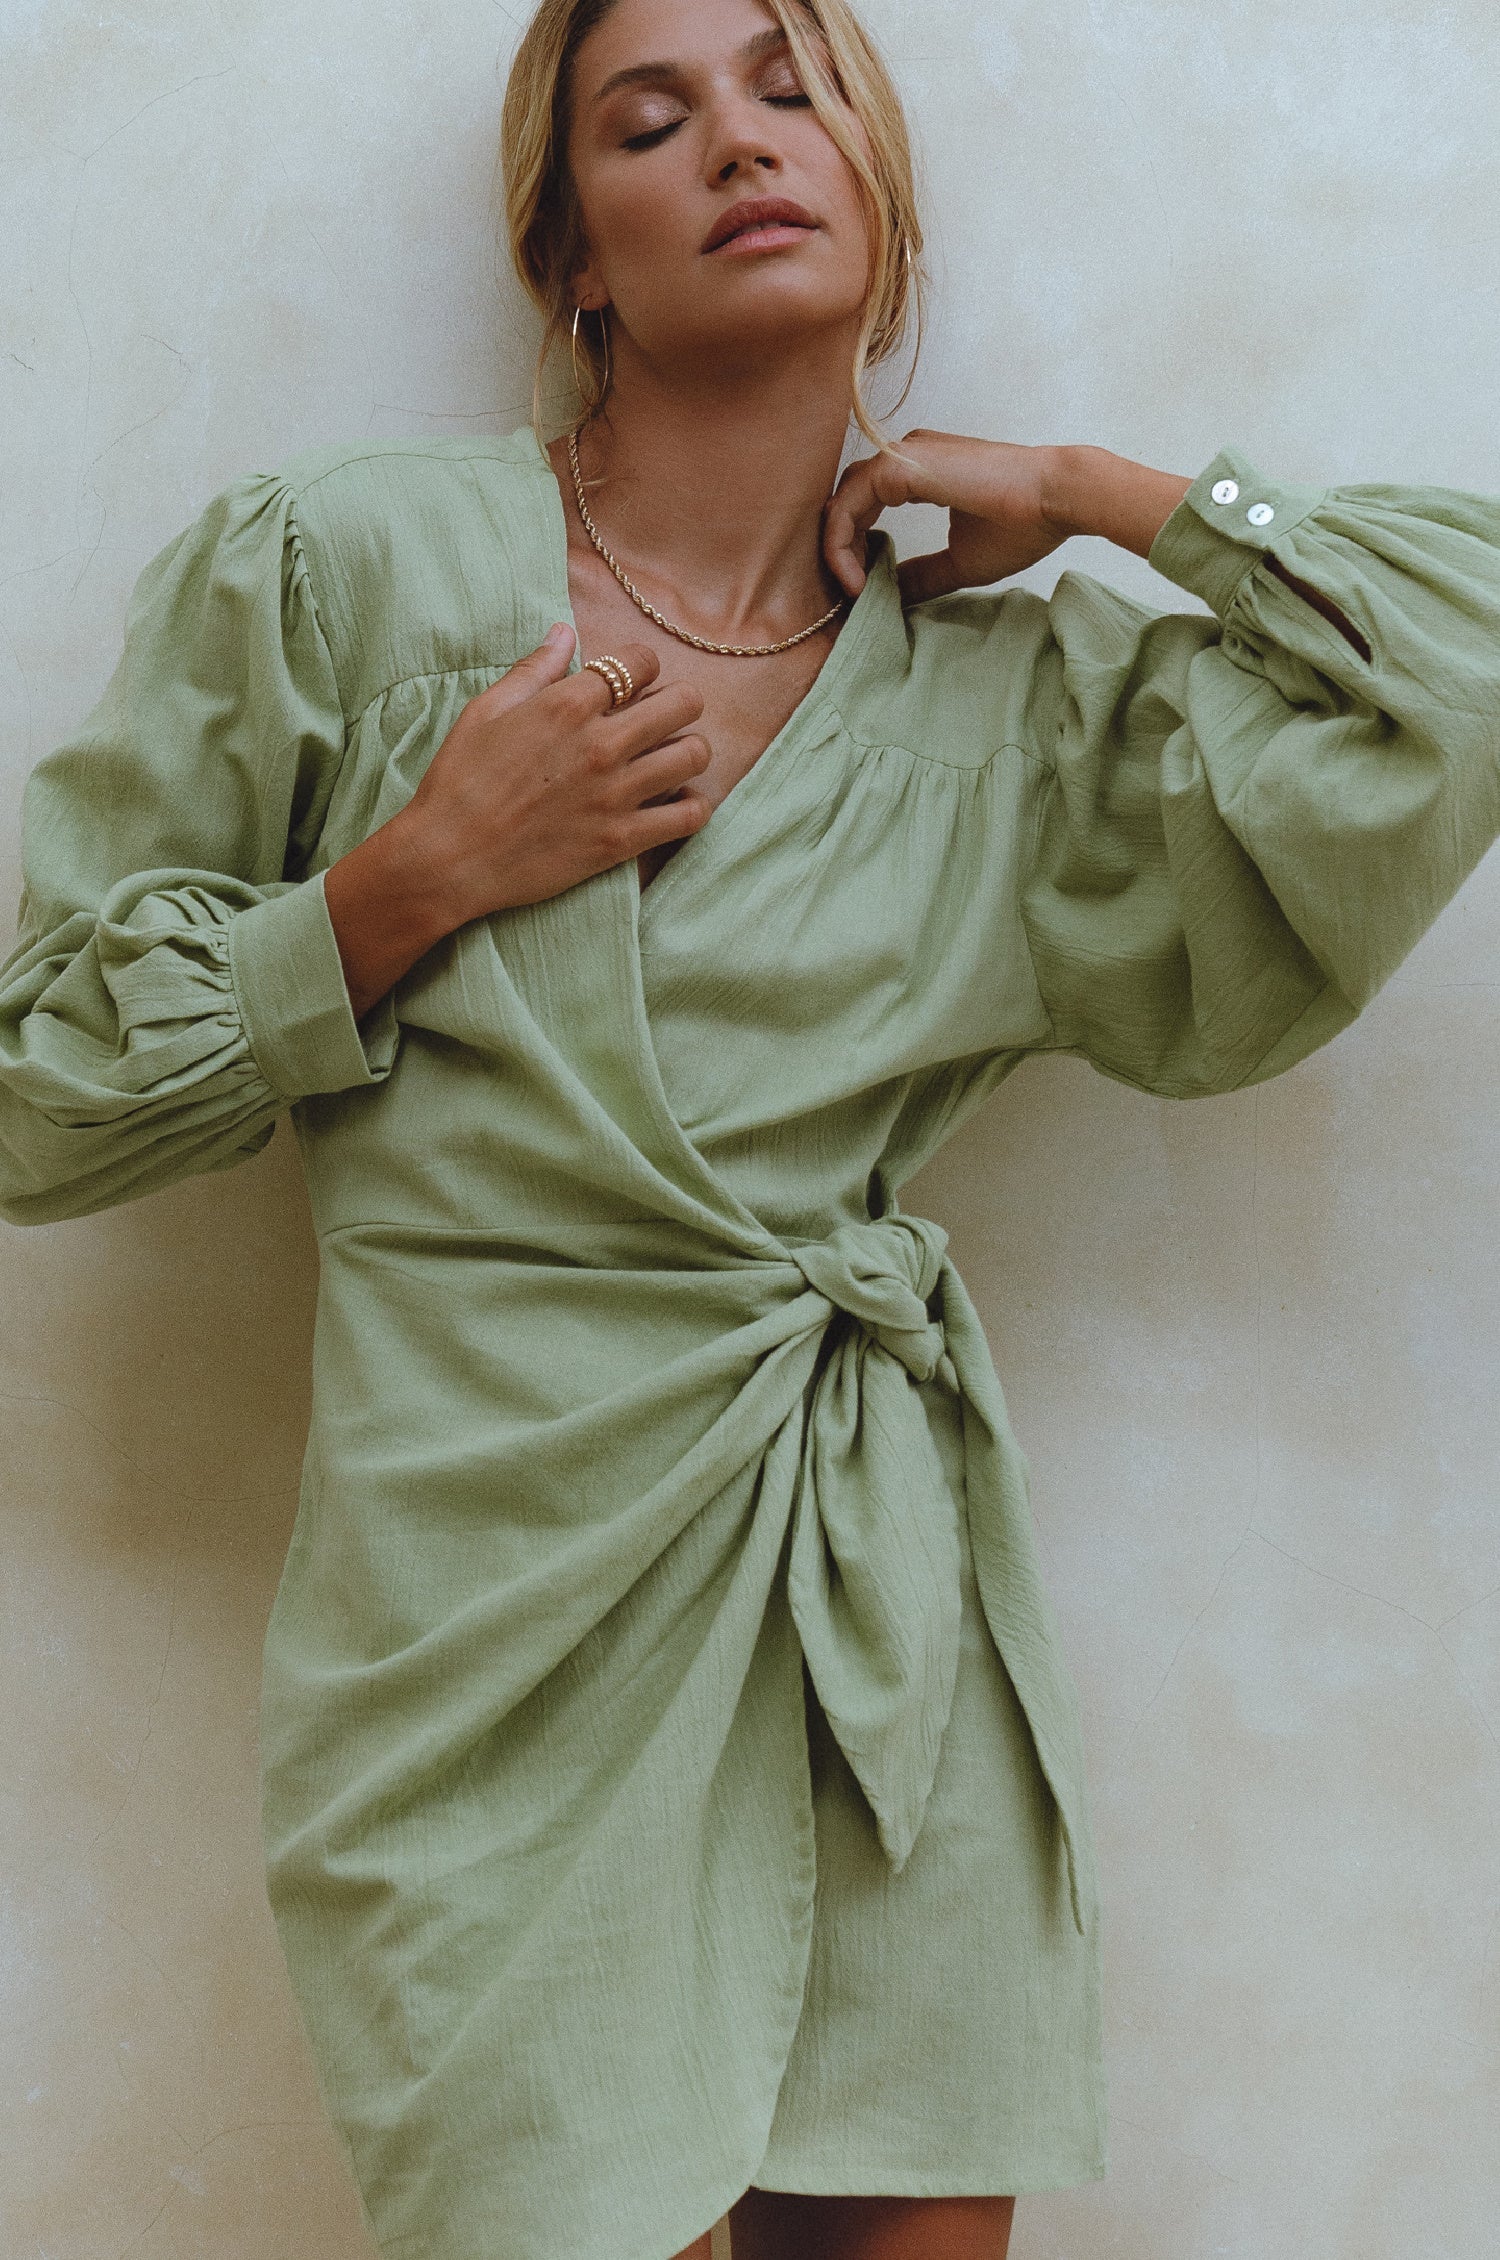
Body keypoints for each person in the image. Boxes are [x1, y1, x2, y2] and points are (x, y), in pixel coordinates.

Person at [2, 0, 1498, 2253]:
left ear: (876, 181)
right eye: (652, 117)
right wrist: (408, 881)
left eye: (794, 91)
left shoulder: (1014, 712)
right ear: (570, 255)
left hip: (869, 1631)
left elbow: (1460, 676)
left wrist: (1109, 496)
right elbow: (40, 1087)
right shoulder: (342, 572)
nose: (739, 141)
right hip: (480, 1636)